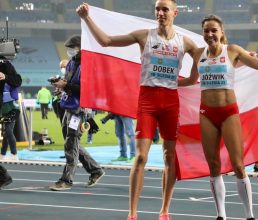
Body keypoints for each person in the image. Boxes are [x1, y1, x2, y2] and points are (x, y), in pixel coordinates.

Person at [76, 1, 198, 219]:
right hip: (147, 101)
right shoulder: (144, 36)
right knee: (141, 156)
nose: (160, 13)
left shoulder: (186, 42)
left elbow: (211, 55)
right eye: (157, 9)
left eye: (165, 9)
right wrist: (86, 18)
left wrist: (242, 58)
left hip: (171, 102)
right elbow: (106, 41)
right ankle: (132, 213)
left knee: (170, 157)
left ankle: (164, 211)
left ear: (175, 13)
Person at [179, 15, 258, 220]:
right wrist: (169, 82)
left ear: (221, 32)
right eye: (206, 31)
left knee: (238, 165)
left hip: (228, 112)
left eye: (213, 30)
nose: (210, 34)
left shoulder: (233, 50)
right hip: (206, 113)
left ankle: (249, 215)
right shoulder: (198, 54)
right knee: (214, 166)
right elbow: (192, 80)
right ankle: (221, 215)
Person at [49, 35, 105, 191]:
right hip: (67, 105)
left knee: (71, 142)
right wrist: (59, 83)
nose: (70, 51)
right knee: (72, 142)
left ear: (81, 48)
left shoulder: (88, 65)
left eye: (72, 48)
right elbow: (68, 82)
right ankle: (95, 170)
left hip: (79, 109)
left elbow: (86, 90)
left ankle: (66, 180)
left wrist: (65, 86)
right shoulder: (72, 63)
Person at [0, 54, 22, 186]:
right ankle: (3, 154)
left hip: (11, 108)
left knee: (8, 131)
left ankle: (13, 153)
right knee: (6, 133)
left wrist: (6, 77)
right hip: (5, 107)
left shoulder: (5, 64)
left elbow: (17, 80)